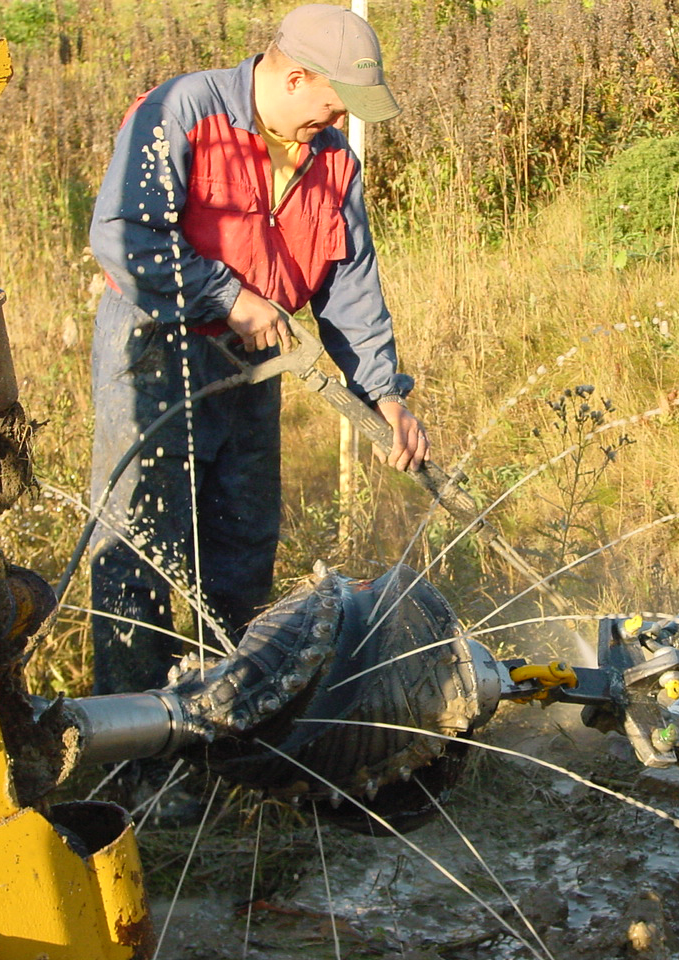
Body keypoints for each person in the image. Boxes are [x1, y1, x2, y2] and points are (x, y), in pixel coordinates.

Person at [87, 4, 427, 697]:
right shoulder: (182, 112)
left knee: (241, 547)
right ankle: (133, 741)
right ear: (296, 78)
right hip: (155, 352)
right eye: (334, 105)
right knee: (140, 548)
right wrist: (228, 296)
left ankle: (231, 719)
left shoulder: (334, 161)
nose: (338, 121)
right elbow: (123, 234)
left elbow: (350, 288)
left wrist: (383, 396)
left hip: (254, 362)